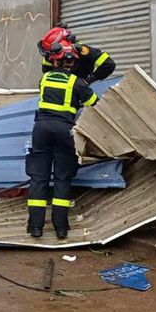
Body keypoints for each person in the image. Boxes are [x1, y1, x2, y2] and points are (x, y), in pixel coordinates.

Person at [27, 40, 98, 240]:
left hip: (41, 129)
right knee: (62, 178)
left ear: (54, 61)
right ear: (73, 63)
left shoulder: (45, 79)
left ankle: (35, 228)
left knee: (39, 178)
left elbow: (46, 65)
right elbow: (93, 103)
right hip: (64, 131)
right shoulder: (77, 83)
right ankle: (61, 229)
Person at [38, 24, 116, 83]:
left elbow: (108, 64)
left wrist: (89, 80)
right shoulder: (50, 54)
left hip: (81, 91)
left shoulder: (83, 51)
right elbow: (46, 73)